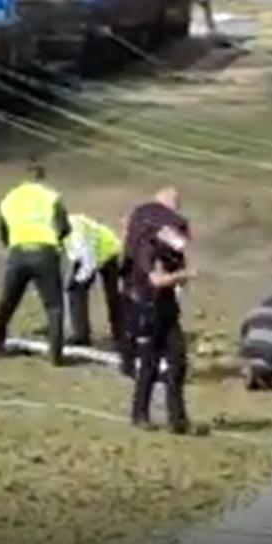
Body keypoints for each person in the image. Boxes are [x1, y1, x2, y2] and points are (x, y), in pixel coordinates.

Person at [0, 164, 71, 365]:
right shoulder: (51, 196)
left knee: (8, 300)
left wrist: (12, 245)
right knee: (54, 305)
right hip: (45, 252)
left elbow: (2, 230)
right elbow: (64, 227)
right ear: (42, 177)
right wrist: (56, 241)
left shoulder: (10, 198)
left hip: (18, 252)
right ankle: (55, 354)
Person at [130, 225, 196, 434]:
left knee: (178, 364)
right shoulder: (150, 249)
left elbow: (180, 282)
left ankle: (177, 420)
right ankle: (140, 415)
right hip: (149, 314)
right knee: (149, 367)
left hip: (168, 314)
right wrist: (182, 275)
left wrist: (182, 273)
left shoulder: (176, 253)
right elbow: (157, 280)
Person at [119, 186, 190, 377]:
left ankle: (129, 364)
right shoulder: (173, 222)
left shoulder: (138, 213)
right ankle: (164, 366)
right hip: (157, 284)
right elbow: (179, 248)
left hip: (134, 277)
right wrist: (181, 275)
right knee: (160, 328)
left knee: (132, 323)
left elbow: (126, 229)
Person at [64, 213, 125, 349]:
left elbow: (88, 262)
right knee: (78, 290)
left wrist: (78, 280)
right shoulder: (69, 223)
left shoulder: (75, 233)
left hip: (109, 252)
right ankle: (81, 333)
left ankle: (121, 335)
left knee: (113, 295)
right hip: (97, 249)